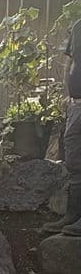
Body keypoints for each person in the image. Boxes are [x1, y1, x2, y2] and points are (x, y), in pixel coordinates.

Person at [60, 18, 81, 231]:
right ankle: (72, 214)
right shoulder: (78, 26)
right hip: (76, 104)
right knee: (74, 159)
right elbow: (69, 61)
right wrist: (66, 92)